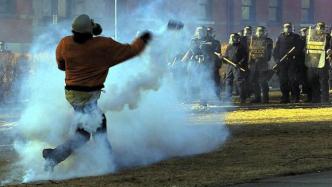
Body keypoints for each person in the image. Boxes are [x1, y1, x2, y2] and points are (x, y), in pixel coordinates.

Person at [42, 14, 151, 171]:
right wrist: (142, 40)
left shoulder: (65, 43)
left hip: (72, 94)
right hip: (88, 96)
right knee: (92, 129)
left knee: (89, 128)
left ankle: (58, 156)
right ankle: (104, 162)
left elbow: (61, 65)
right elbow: (130, 51)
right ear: (90, 31)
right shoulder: (103, 45)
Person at [273, 22, 303, 103]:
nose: (287, 28)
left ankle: (295, 97)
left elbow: (299, 48)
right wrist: (277, 60)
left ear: (291, 28)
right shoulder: (280, 37)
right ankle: (285, 97)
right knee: (283, 81)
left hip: (292, 62)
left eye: (289, 27)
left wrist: (292, 54)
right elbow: (276, 50)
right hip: (282, 63)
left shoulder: (296, 37)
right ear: (283, 28)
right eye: (286, 27)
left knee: (293, 80)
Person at [305, 22, 331, 103]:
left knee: (323, 82)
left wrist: (329, 50)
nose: (320, 28)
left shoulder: (328, 37)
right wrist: (305, 50)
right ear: (316, 27)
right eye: (319, 27)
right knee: (313, 81)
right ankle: (315, 99)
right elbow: (306, 46)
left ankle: (325, 99)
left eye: (322, 27)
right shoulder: (311, 37)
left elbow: (330, 46)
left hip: (323, 63)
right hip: (312, 62)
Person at [248, 26, 273, 103]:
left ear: (264, 32)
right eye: (259, 31)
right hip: (254, 64)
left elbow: (268, 53)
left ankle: (265, 99)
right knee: (254, 82)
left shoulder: (268, 40)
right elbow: (250, 51)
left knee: (263, 82)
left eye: (262, 31)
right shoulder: (252, 39)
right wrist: (249, 62)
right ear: (256, 32)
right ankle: (257, 98)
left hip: (263, 64)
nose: (260, 32)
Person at [223, 33, 248, 103]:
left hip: (238, 67)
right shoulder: (229, 47)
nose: (234, 39)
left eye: (235, 38)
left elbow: (245, 57)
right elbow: (226, 57)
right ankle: (227, 98)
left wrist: (240, 63)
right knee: (228, 81)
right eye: (232, 37)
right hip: (229, 66)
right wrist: (223, 58)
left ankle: (243, 98)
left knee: (240, 82)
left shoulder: (241, 47)